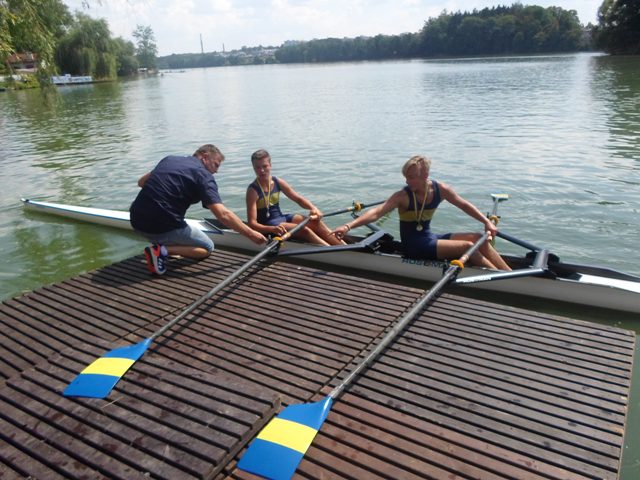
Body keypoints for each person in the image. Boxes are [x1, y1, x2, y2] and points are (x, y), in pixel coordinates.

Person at [331, 155, 512, 270]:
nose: (407, 181)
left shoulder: (441, 189)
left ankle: (507, 272)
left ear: (425, 175)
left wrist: (486, 222)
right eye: (406, 177)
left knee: (478, 237)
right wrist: (348, 226)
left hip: (428, 238)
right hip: (414, 246)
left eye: (411, 177)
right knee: (467, 246)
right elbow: (376, 213)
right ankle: (501, 279)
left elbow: (464, 205)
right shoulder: (402, 196)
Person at [130, 144, 266, 275]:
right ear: (205, 157)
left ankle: (166, 246)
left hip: (136, 220)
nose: (216, 171)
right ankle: (161, 250)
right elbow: (223, 214)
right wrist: (251, 234)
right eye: (216, 165)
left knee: (169, 220)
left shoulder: (170, 159)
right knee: (207, 247)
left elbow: (141, 182)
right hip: (161, 226)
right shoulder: (204, 176)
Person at [246, 149, 345, 246]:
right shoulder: (253, 191)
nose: (262, 170)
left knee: (316, 223)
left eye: (264, 166)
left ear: (270, 165)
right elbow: (252, 224)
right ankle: (332, 251)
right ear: (253, 168)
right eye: (257, 167)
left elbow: (299, 199)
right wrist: (272, 229)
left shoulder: (277, 182)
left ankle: (344, 247)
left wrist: (313, 208)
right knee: (304, 230)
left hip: (281, 218)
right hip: (268, 225)